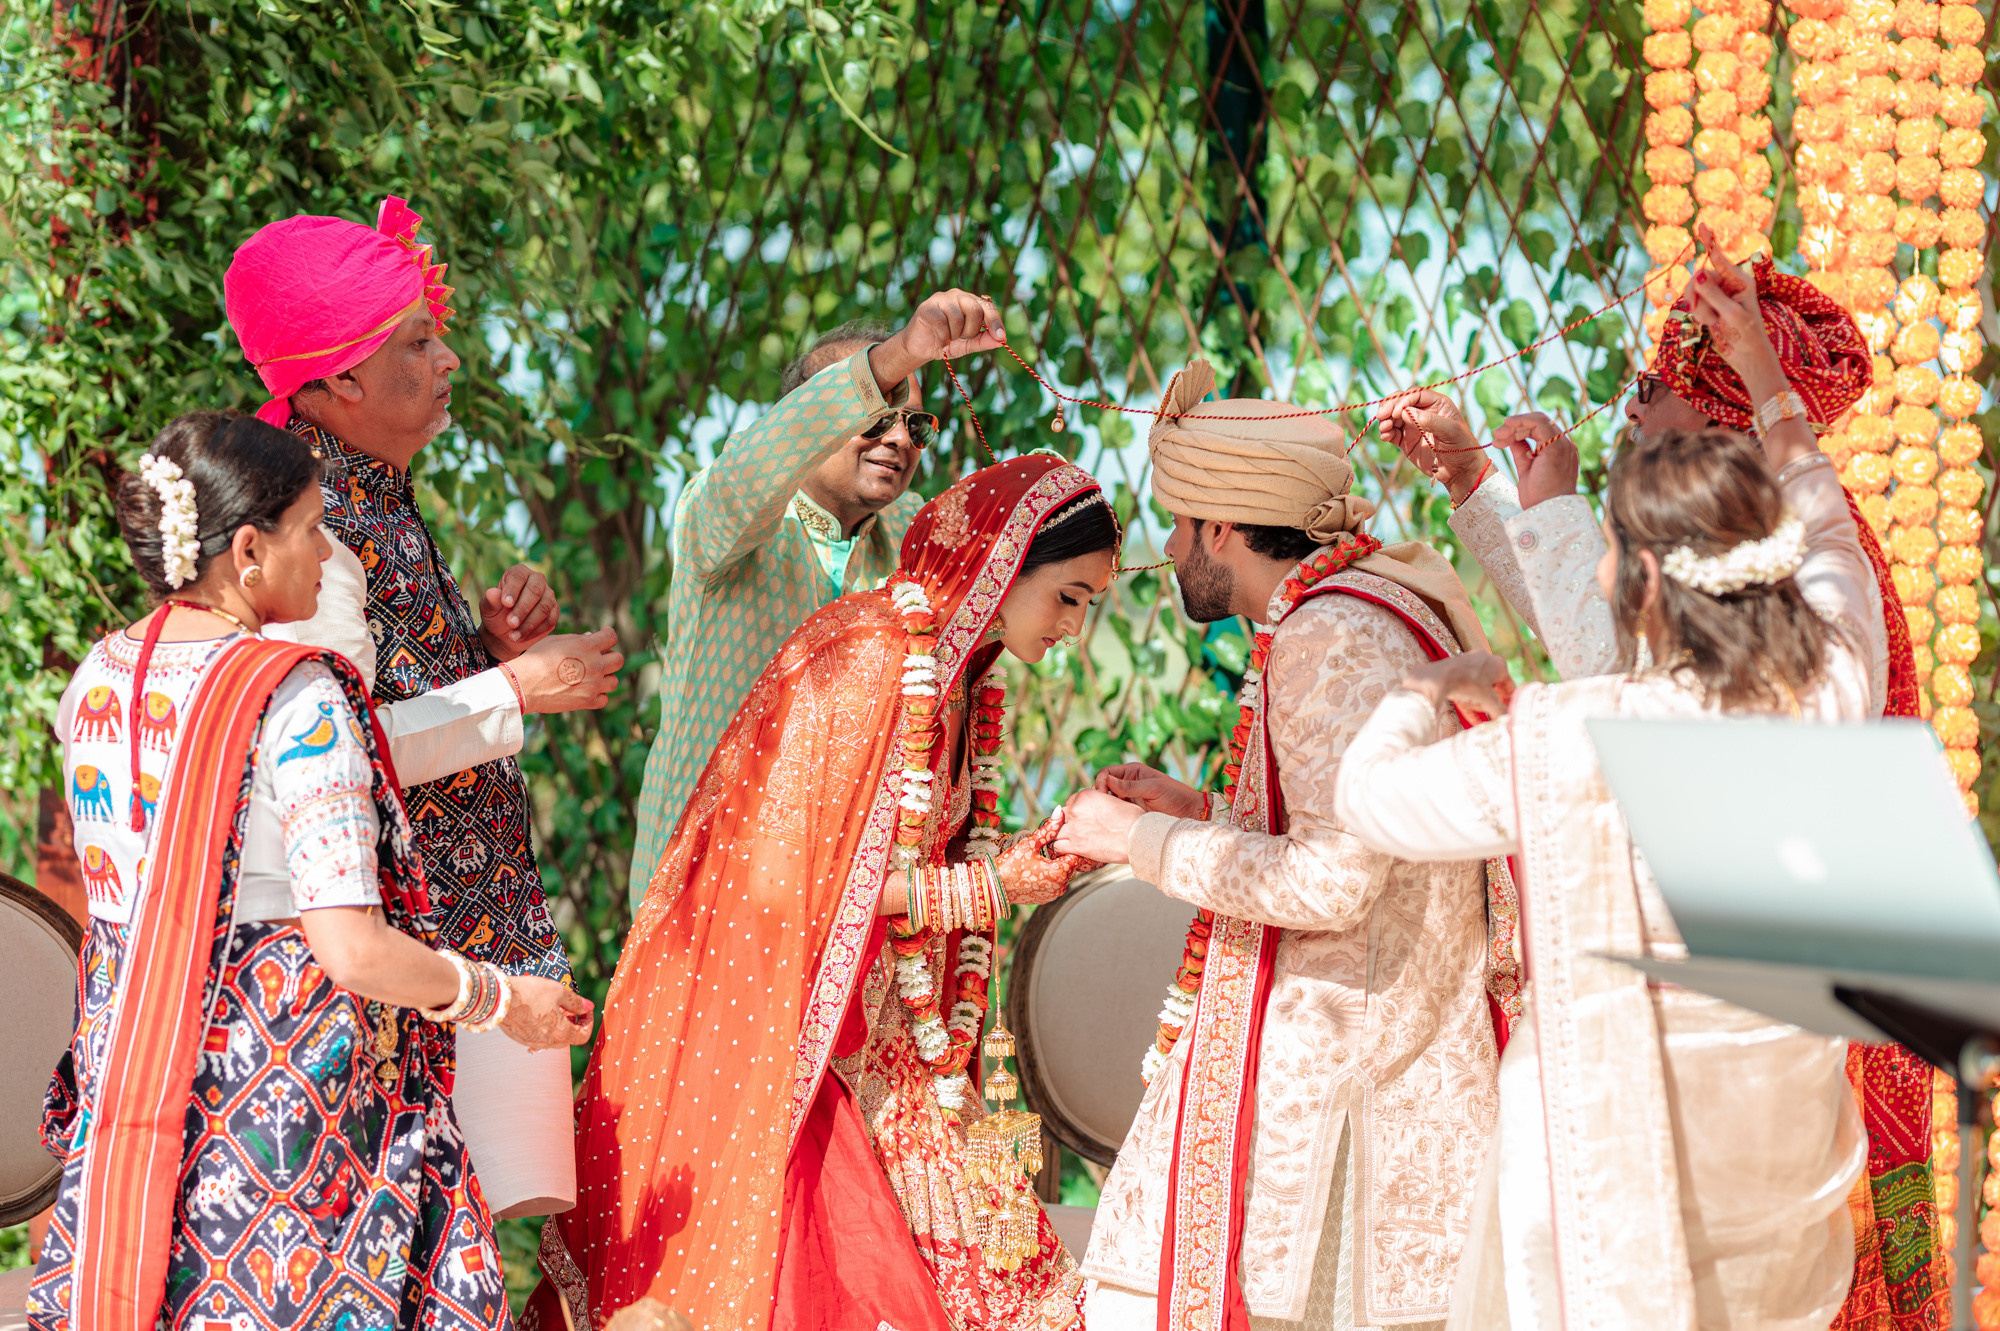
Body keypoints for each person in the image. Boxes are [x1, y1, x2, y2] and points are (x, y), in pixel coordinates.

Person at [1378, 229, 1946, 1326]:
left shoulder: (1792, 561)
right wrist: (1476, 481)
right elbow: (1621, 673)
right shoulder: (1776, 549)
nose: (1628, 409)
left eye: (1651, 390)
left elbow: (1613, 679)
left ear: (1719, 419)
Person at [29, 412, 592, 1330]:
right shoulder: (296, 694)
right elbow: (352, 948)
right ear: (249, 550)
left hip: (139, 1089)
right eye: (314, 527)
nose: (331, 553)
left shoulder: (93, 681)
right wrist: (500, 998)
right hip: (288, 1093)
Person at [527, 454, 1115, 1331]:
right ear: (1004, 557)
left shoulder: (959, 678)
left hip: (887, 1041)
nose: (1074, 627)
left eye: (1090, 606)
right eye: (1067, 595)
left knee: (1007, 1283)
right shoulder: (871, 656)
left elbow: (915, 867)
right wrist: (995, 884)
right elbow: (792, 888)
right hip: (791, 1048)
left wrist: (1013, 864)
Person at [1051, 360, 1505, 1331]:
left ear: (1221, 525)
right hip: (1385, 1065)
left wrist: (1140, 836)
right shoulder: (1362, 602)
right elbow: (1365, 832)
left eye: (1178, 523)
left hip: (1363, 1088)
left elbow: (1335, 876)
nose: (1170, 548)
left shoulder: (1327, 630)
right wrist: (1204, 804)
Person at [224, 196, 622, 1215]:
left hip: (460, 929)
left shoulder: (375, 500)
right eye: (421, 340)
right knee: (420, 1248)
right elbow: (321, 756)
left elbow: (379, 699)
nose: (447, 362)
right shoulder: (316, 528)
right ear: (343, 379)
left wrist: (489, 650)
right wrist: (513, 690)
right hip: (403, 959)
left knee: (472, 1241)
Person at [625, 291, 1002, 909]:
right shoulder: (725, 516)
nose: (899, 439)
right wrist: (900, 354)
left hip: (832, 894)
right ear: (802, 424)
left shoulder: (914, 542)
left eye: (915, 424)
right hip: (701, 891)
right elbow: (753, 469)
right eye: (877, 413)